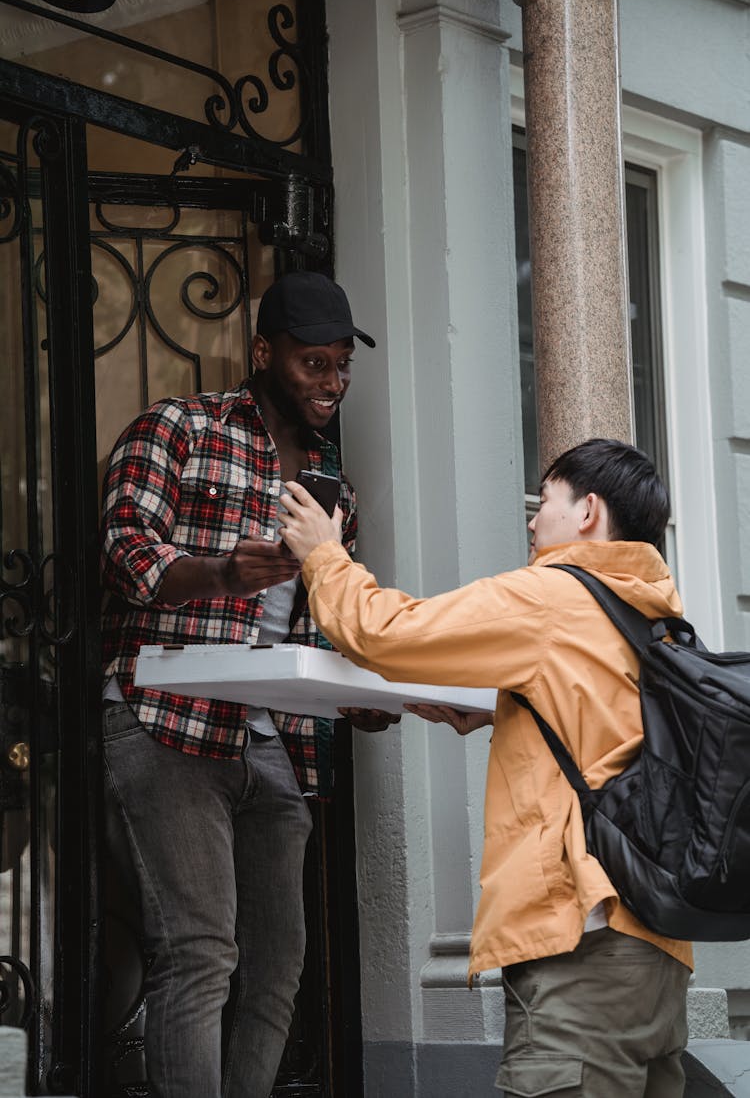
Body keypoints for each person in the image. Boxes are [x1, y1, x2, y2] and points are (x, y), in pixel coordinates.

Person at [279, 438, 693, 1098]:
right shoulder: (657, 614)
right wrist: (508, 709)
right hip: (657, 953)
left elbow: (388, 633)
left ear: (587, 511)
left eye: (546, 499)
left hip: (576, 945)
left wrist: (322, 553)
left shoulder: (556, 596)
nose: (533, 519)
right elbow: (607, 734)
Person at [100, 270, 399, 1098]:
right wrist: (222, 570)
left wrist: (365, 696)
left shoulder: (329, 486)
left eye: (342, 365)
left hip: (274, 740)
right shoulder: (178, 428)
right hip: (166, 720)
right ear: (263, 353)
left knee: (278, 968)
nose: (333, 384)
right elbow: (127, 552)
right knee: (200, 952)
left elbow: (326, 620)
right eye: (314, 364)